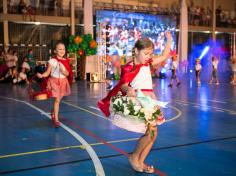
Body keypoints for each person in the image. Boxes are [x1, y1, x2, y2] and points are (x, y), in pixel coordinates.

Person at [98, 31, 172, 173]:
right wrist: (129, 89)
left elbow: (163, 56)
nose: (149, 57)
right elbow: (124, 84)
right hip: (140, 101)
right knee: (151, 133)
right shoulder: (129, 67)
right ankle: (135, 158)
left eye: (150, 54)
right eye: (146, 53)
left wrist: (168, 40)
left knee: (153, 134)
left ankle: (140, 160)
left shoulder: (148, 63)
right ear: (136, 51)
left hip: (150, 101)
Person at [37, 42, 73, 127]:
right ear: (55, 51)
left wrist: (63, 71)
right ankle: (56, 119)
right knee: (57, 100)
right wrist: (42, 75)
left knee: (58, 100)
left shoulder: (66, 61)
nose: (62, 51)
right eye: (60, 49)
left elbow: (68, 74)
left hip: (63, 82)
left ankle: (53, 112)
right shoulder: (52, 61)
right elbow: (47, 72)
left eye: (63, 49)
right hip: (54, 82)